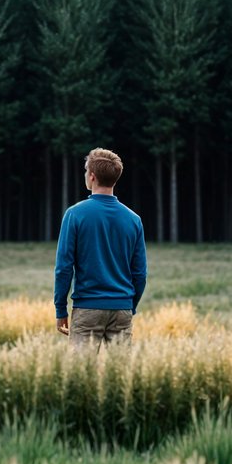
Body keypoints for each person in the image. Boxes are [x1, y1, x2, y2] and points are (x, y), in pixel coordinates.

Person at [54, 147, 147, 349]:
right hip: (122, 309)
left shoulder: (75, 214)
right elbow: (140, 273)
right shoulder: (133, 219)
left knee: (80, 375)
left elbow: (64, 267)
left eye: (86, 171)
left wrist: (61, 310)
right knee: (121, 376)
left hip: (87, 309)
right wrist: (129, 306)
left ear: (92, 177)